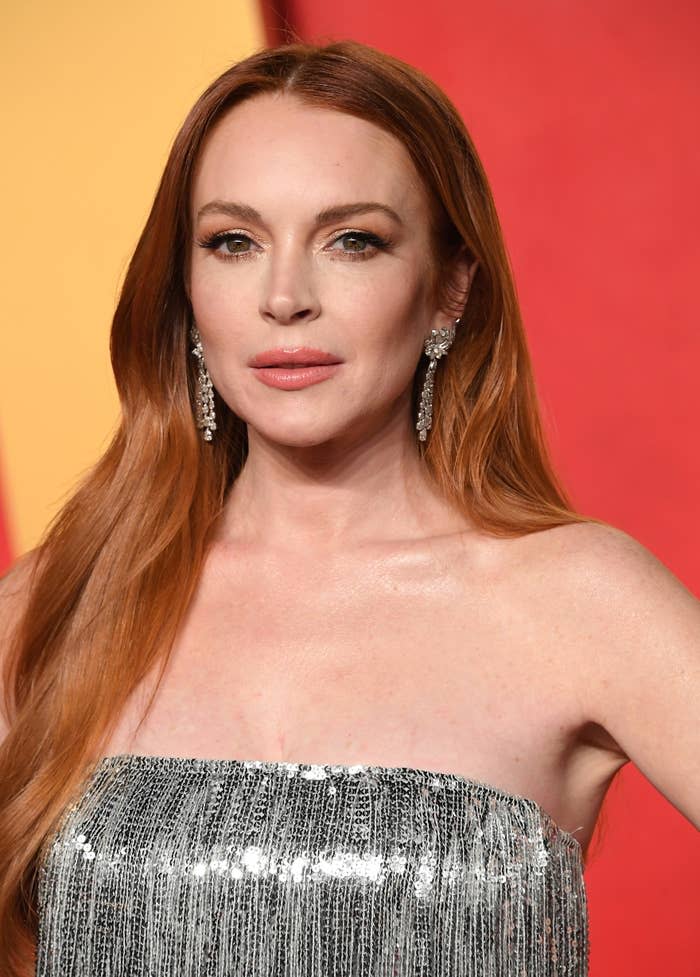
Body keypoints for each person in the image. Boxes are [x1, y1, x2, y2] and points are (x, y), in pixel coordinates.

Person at [0, 38, 697, 977]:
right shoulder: (57, 608)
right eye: (233, 242)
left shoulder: (577, 602)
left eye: (353, 240)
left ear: (450, 285)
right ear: (188, 291)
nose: (285, 297)